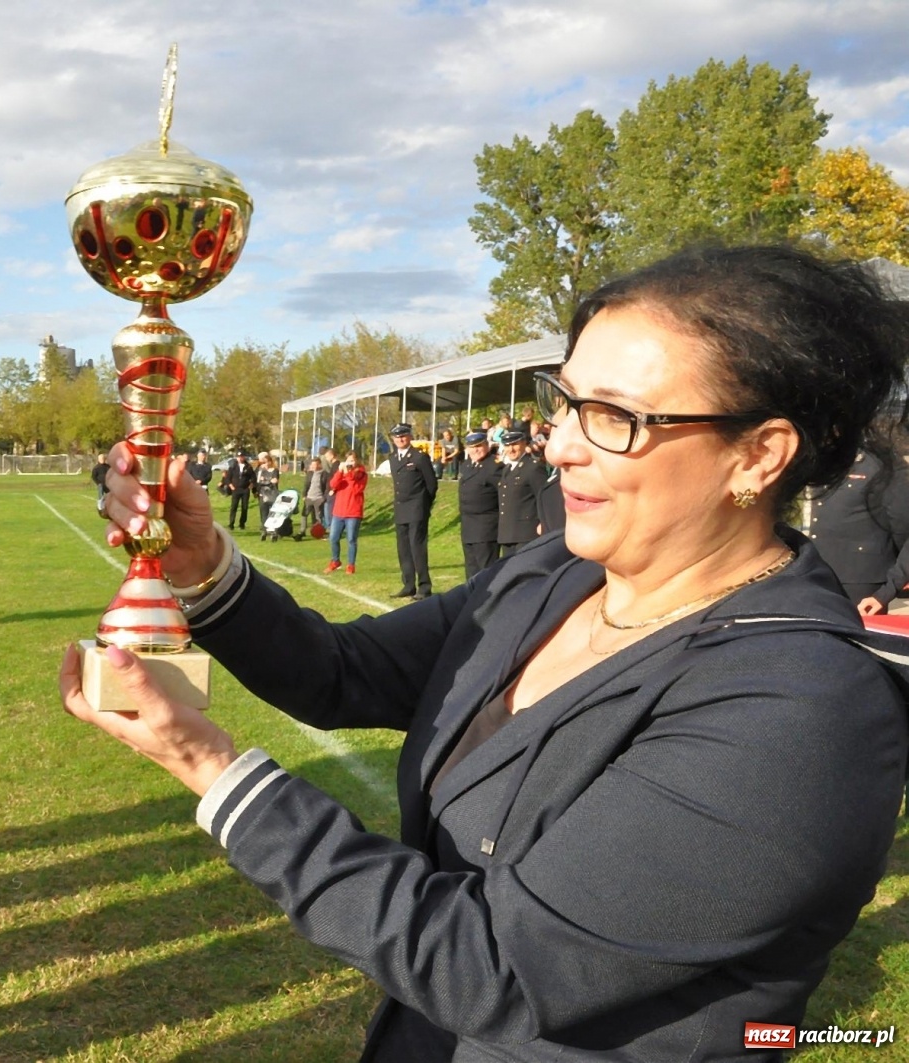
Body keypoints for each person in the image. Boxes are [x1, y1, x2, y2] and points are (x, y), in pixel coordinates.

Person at [66, 243, 909, 1062]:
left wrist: (212, 767)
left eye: (616, 417)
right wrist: (205, 568)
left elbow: (498, 966)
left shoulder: (800, 707)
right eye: (566, 400)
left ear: (759, 454)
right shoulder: (552, 575)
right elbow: (344, 673)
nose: (561, 444)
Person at [807, 449, 909, 607]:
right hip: (814, 572)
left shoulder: (883, 465)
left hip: (861, 581)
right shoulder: (822, 459)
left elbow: (903, 529)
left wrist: (888, 589)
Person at [388, 423, 439, 599]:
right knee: (403, 549)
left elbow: (431, 484)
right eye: (397, 437)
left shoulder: (419, 457)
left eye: (403, 435)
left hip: (417, 507)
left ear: (409, 437)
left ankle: (424, 586)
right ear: (393, 439)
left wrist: (424, 504)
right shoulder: (393, 458)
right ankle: (408, 585)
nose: (400, 439)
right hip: (401, 508)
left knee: (417, 548)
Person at [457, 430, 501, 579]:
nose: (475, 450)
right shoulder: (466, 466)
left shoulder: (494, 466)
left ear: (487, 445)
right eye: (471, 447)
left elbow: (503, 496)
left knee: (486, 572)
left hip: (486, 528)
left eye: (479, 446)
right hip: (468, 527)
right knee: (471, 570)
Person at [495, 429, 543, 556]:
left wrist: (543, 523)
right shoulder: (507, 469)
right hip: (508, 533)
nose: (511, 449)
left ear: (524, 444)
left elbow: (544, 498)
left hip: (526, 534)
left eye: (514, 444)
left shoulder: (533, 467)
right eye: (507, 445)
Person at [324, 449, 367, 575]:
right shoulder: (342, 473)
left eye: (352, 461)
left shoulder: (362, 474)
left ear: (357, 461)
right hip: (339, 511)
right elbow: (333, 484)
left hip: (353, 512)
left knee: (351, 539)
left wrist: (348, 473)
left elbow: (356, 489)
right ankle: (335, 561)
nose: (350, 463)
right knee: (333, 538)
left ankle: (351, 564)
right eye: (348, 461)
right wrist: (340, 472)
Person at [220, 447, 256, 530]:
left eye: (241, 456)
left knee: (244, 507)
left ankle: (242, 523)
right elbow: (228, 478)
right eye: (238, 457)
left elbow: (253, 477)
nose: (240, 458)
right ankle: (231, 523)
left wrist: (251, 485)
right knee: (234, 507)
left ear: (244, 457)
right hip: (235, 489)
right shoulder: (233, 466)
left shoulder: (248, 467)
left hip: (245, 490)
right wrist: (231, 485)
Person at [301, 457, 329, 532]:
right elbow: (306, 485)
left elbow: (327, 487)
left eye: (314, 464)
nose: (312, 466)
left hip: (319, 498)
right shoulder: (310, 473)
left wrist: (324, 498)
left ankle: (318, 532)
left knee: (318, 517)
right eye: (312, 464)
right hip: (309, 498)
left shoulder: (325, 474)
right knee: (304, 514)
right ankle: (302, 531)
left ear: (319, 465)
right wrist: (304, 495)